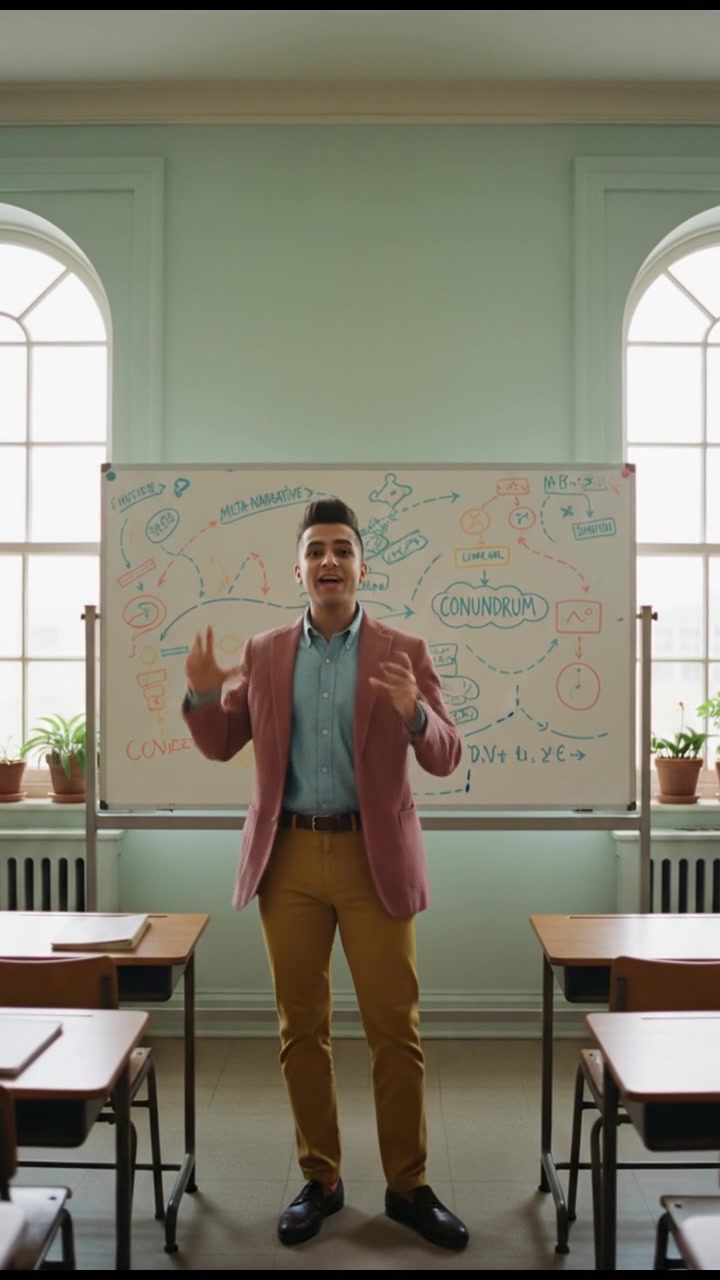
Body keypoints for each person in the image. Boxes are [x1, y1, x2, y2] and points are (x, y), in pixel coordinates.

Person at [183, 496, 469, 1251]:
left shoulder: (403, 648)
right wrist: (205, 692)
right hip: (290, 860)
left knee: (393, 1029)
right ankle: (323, 1179)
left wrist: (414, 714)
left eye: (343, 549)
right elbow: (221, 743)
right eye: (317, 550)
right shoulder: (268, 651)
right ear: (299, 568)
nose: (330, 562)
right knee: (301, 1029)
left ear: (361, 564)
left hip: (375, 859)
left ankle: (408, 1187)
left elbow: (445, 753)